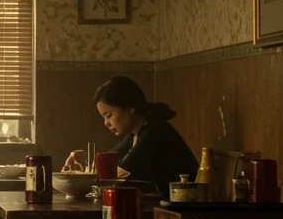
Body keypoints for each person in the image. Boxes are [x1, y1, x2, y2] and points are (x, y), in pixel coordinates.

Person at [63, 76, 198, 197]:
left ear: (130, 107)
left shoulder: (155, 132)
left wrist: (82, 175)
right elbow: (110, 162)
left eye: (109, 115)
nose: (106, 123)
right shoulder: (135, 135)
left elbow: (115, 174)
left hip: (181, 213)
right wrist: (86, 158)